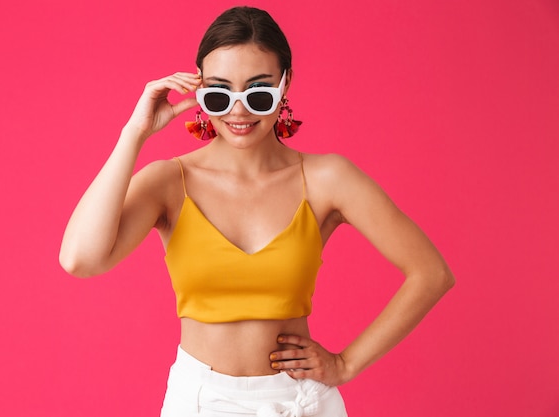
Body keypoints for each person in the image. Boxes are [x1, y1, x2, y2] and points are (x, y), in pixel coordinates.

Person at [59, 6, 455, 417]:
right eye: (219, 92)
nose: (238, 110)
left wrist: (346, 363)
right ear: (198, 88)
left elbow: (431, 273)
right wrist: (134, 133)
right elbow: (80, 260)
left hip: (302, 402)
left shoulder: (327, 179)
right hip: (198, 402)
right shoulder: (169, 182)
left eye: (258, 91)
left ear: (285, 87)